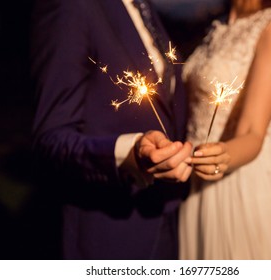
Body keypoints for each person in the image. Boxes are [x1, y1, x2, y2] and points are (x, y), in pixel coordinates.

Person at [30, 0, 193, 259]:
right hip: (109, 234)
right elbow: (52, 138)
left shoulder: (143, 8)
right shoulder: (71, 7)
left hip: (167, 221)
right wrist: (129, 153)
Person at [179, 0, 271, 259]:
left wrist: (221, 156)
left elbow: (253, 131)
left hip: (243, 183)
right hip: (195, 184)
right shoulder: (218, 27)